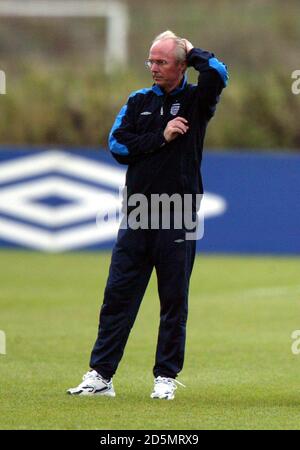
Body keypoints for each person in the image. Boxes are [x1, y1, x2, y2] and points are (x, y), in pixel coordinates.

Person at [67, 30, 228, 400]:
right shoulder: (138, 100)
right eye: (150, 61)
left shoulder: (196, 100)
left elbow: (218, 73)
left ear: (181, 65)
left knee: (173, 299)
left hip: (179, 213)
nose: (153, 68)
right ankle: (101, 375)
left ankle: (165, 377)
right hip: (138, 214)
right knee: (118, 297)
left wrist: (191, 49)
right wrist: (161, 136)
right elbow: (117, 145)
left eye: (161, 61)